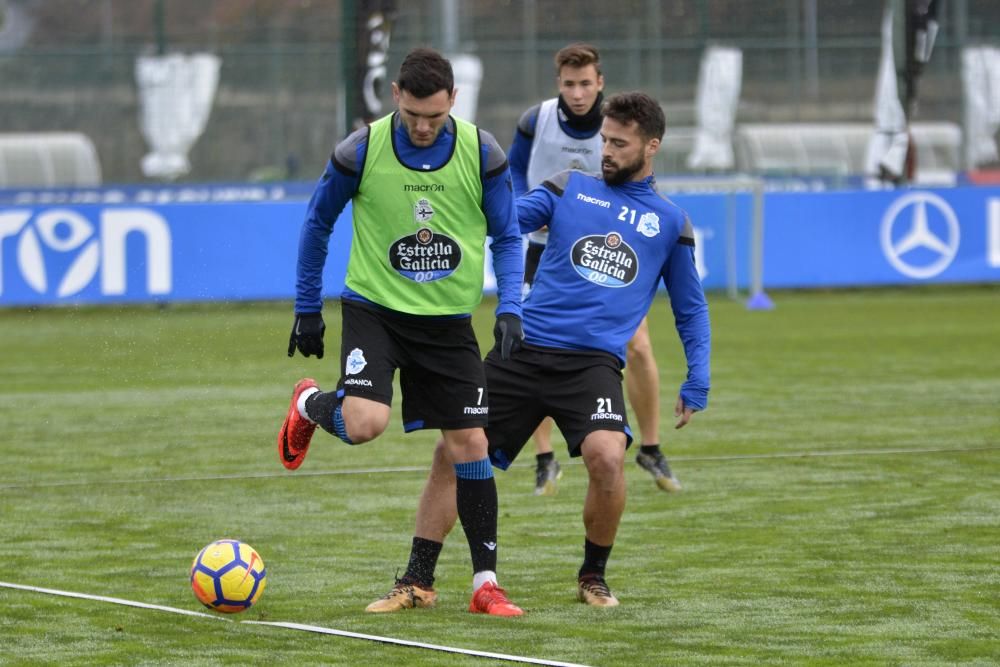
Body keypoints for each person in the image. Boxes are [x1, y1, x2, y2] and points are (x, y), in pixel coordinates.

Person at [376, 91, 711, 610]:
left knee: (607, 457)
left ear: (652, 147)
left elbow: (690, 309)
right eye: (604, 140)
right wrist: (439, 203)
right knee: (454, 450)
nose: (606, 151)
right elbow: (503, 218)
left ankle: (592, 576)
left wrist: (698, 378)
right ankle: (417, 581)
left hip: (593, 365)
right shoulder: (567, 188)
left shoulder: (670, 223)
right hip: (523, 351)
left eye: (619, 144)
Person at [279, 48, 525, 617]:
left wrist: (510, 306)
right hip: (377, 310)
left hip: (447, 322)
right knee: (366, 423)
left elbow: (508, 237)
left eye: (433, 117)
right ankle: (312, 403)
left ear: (454, 102)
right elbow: (318, 222)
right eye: (413, 113)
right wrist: (306, 306)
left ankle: (477, 584)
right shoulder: (360, 150)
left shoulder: (481, 152)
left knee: (469, 446)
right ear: (395, 95)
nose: (421, 126)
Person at [508, 43, 681, 496]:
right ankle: (545, 457)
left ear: (600, 83)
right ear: (558, 84)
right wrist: (535, 207)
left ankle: (651, 446)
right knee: (538, 341)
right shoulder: (534, 121)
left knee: (639, 344)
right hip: (544, 249)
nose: (578, 92)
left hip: (603, 250)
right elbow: (511, 172)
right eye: (569, 84)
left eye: (586, 83)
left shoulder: (621, 125)